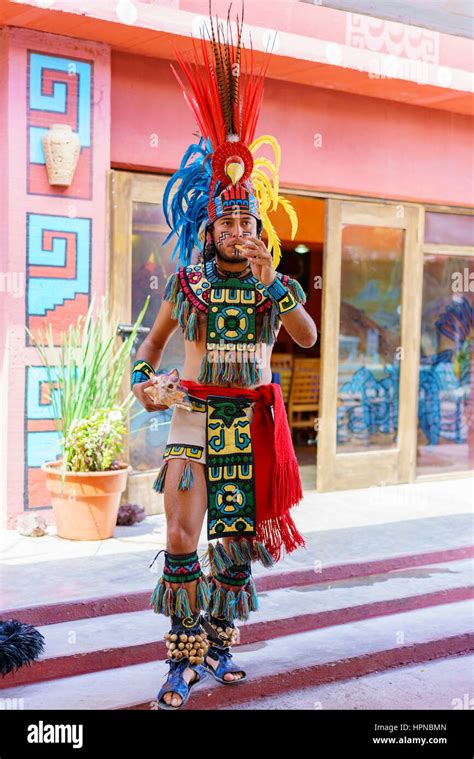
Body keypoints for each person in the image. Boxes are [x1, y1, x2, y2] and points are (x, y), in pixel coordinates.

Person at [131, 4, 318, 709]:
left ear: (258, 224)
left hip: (251, 429)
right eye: (226, 218)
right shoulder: (187, 286)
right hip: (193, 421)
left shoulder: (277, 286)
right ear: (209, 227)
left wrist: (278, 285)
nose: (237, 227)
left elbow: (304, 338)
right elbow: (148, 354)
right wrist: (149, 385)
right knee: (182, 537)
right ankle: (178, 661)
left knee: (235, 551)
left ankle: (216, 645)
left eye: (247, 217)